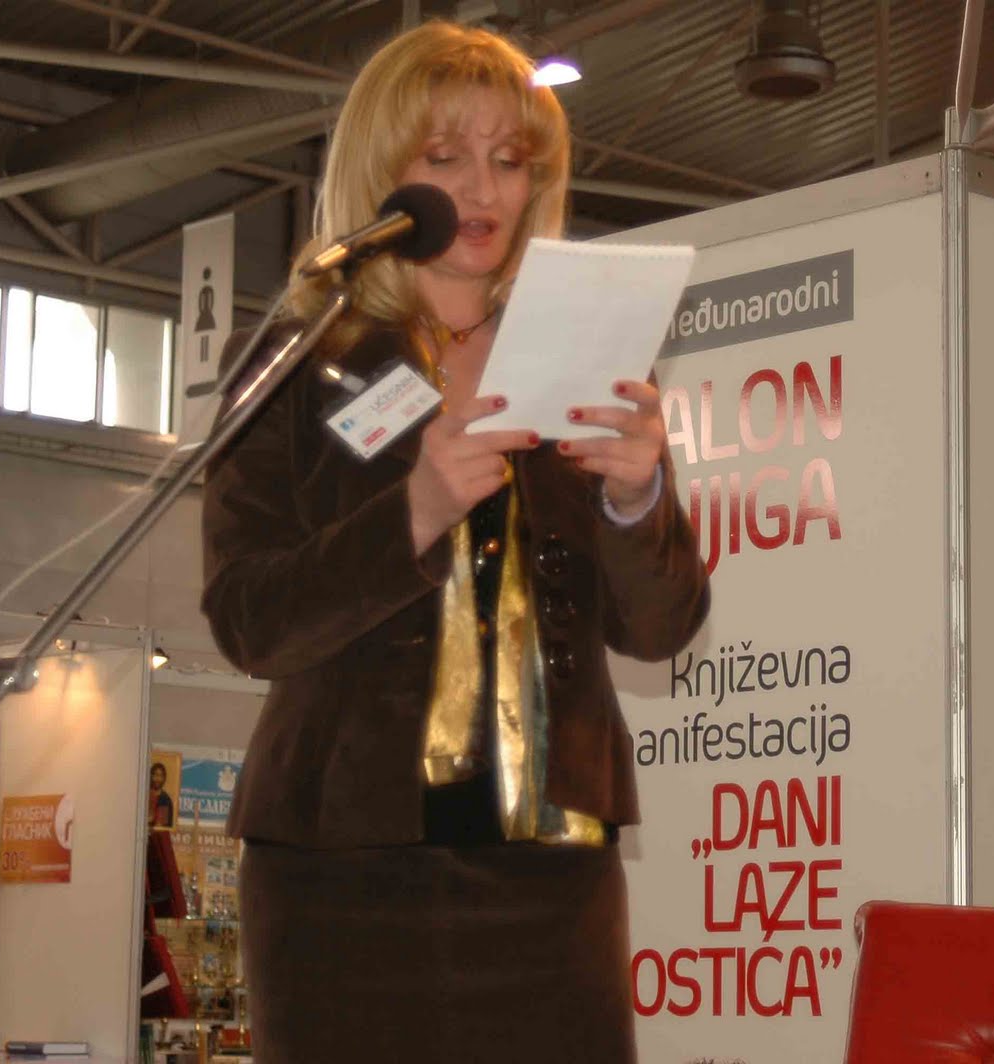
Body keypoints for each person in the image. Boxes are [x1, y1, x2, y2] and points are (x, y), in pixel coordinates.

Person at [200, 20, 710, 1062]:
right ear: (381, 172)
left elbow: (661, 629)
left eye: (510, 161)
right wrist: (415, 512)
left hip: (550, 875)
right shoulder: (302, 357)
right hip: (342, 873)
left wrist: (637, 496)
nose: (481, 189)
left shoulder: (584, 353)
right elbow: (250, 619)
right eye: (443, 157)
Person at [148, 760, 174, 828]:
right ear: (150, 776)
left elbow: (161, 825)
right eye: (155, 775)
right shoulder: (144, 796)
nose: (158, 779)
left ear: (164, 778)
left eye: (161, 776)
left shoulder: (165, 799)